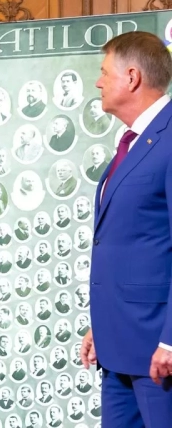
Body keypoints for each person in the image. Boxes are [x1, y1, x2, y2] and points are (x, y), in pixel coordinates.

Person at [80, 31, 172, 427]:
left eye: (104, 72)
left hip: (158, 353)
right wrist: (102, 326)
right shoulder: (131, 142)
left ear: (132, 77)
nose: (98, 83)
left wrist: (171, 340)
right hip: (118, 347)